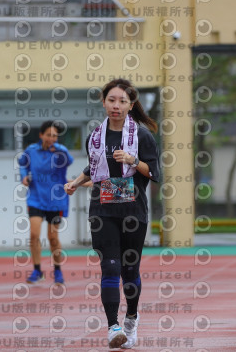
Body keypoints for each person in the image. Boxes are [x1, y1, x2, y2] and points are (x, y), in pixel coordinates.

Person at [65, 78, 160, 349]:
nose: (116, 106)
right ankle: (112, 327)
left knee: (129, 271)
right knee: (109, 267)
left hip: (133, 211)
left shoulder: (142, 136)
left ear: (131, 105)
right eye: (111, 100)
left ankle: (131, 319)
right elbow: (94, 168)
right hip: (102, 210)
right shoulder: (95, 136)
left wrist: (132, 160)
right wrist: (75, 183)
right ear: (104, 101)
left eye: (122, 101)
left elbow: (154, 173)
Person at [18, 120, 74, 284]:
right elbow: (22, 164)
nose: (52, 138)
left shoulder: (60, 151)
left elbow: (69, 160)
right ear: (41, 135)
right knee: (34, 235)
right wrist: (24, 177)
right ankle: (37, 270)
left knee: (52, 237)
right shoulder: (31, 150)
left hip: (56, 199)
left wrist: (60, 150)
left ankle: (57, 270)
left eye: (55, 136)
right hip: (35, 198)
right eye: (49, 135)